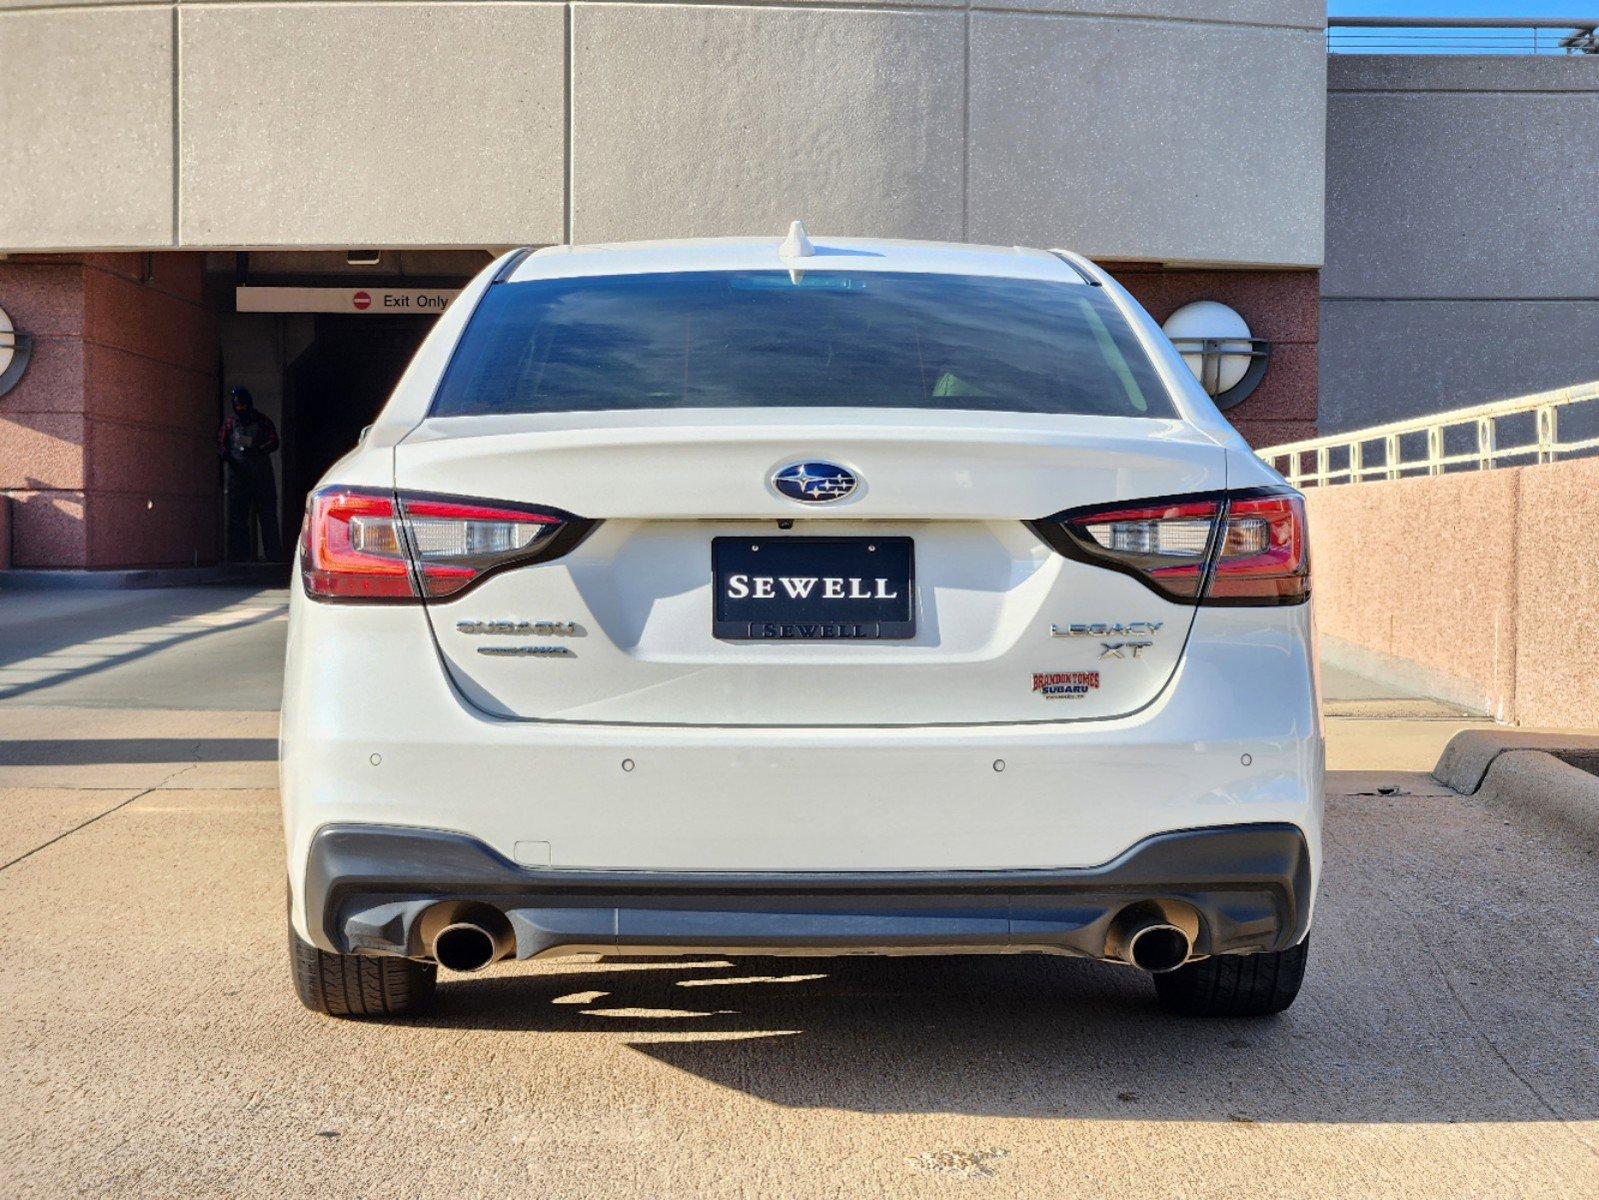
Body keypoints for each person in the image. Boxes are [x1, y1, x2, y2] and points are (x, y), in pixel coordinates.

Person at [218, 386, 282, 561]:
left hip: (261, 476)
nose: (240, 409)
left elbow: (274, 441)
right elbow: (221, 445)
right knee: (238, 519)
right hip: (238, 476)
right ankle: (239, 557)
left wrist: (259, 449)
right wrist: (227, 455)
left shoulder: (262, 421)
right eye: (237, 406)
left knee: (267, 517)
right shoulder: (231, 424)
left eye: (242, 405)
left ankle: (273, 557)